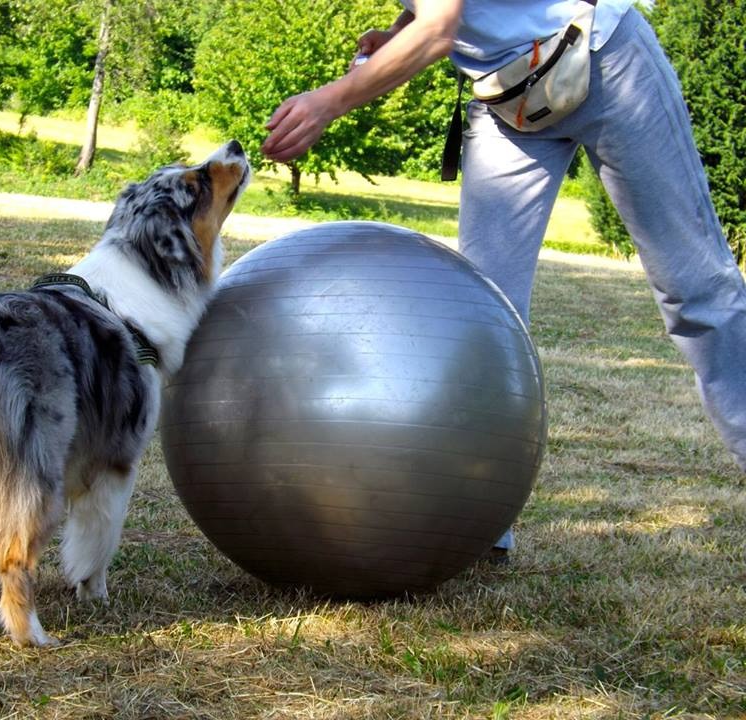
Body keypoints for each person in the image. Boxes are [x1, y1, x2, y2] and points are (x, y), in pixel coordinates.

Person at [261, 0, 746, 557]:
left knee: (696, 292)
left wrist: (327, 102)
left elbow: (439, 30)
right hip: (507, 100)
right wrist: (396, 32)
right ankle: (482, 524)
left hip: (606, 62)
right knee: (484, 315)